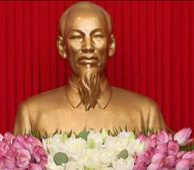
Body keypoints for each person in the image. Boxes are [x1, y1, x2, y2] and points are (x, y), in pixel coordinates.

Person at [13, 1, 167, 135]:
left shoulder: (145, 113)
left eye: (97, 36)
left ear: (111, 45)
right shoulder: (32, 114)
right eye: (77, 37)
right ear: (62, 47)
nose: (88, 47)